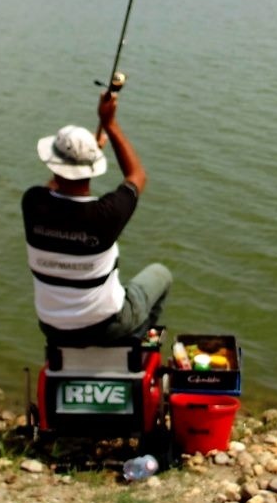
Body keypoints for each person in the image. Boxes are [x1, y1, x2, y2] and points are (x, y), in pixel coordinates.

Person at [22, 90, 172, 345]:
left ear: (53, 164)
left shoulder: (33, 203)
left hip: (53, 328)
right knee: (162, 274)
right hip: (107, 325)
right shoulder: (107, 214)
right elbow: (137, 176)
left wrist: (85, 154)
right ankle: (137, 338)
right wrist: (110, 123)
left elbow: (52, 189)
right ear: (92, 168)